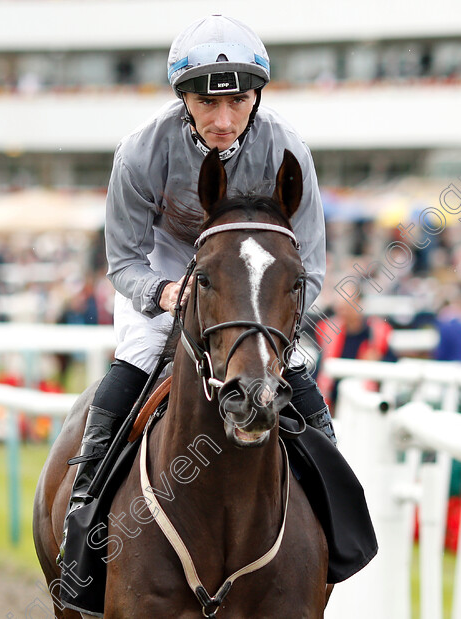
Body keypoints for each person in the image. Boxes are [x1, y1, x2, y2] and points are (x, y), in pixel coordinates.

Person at [61, 15, 333, 549]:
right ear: (184, 98)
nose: (225, 119)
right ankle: (84, 503)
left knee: (294, 370)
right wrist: (163, 294)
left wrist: (260, 320)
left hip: (251, 279)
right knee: (137, 352)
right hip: (163, 267)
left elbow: (312, 269)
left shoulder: (289, 150)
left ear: (257, 95)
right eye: (208, 103)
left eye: (239, 101)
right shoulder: (139, 152)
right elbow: (122, 260)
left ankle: (334, 502)